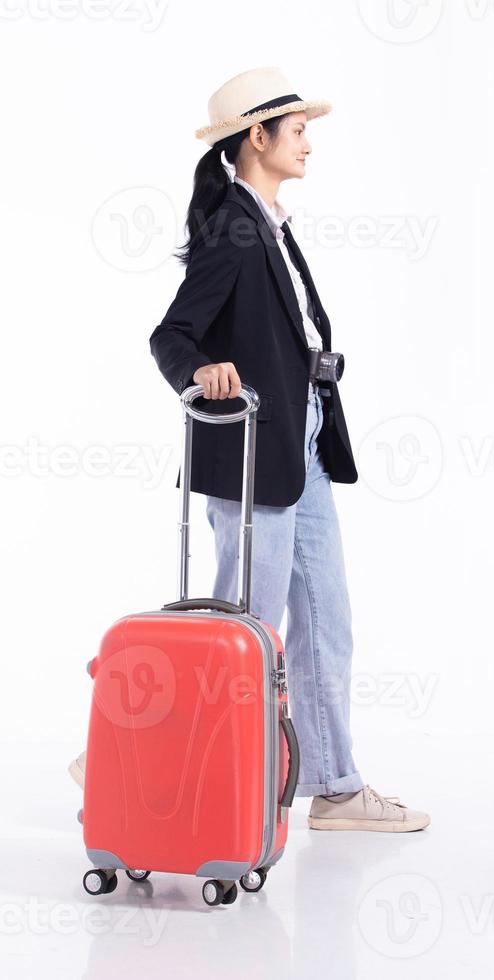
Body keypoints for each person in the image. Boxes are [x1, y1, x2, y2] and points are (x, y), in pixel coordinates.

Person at [71, 67, 427, 833]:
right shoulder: (234, 226)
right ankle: (124, 749)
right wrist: (201, 370)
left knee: (325, 623)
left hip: (301, 449)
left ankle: (335, 787)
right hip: (250, 451)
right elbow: (172, 334)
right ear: (257, 138)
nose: (308, 145)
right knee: (244, 633)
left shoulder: (268, 222)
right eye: (297, 131)